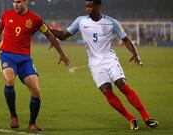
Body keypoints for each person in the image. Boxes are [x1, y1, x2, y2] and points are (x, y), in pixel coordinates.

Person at [50, 0, 158, 130]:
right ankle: (131, 118)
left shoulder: (112, 22)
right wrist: (43, 27)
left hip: (109, 59)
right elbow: (62, 36)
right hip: (94, 63)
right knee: (107, 91)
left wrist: (135, 53)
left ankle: (146, 117)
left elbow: (125, 40)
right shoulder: (81, 21)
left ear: (98, 6)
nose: (87, 9)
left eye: (90, 6)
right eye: (86, 6)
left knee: (122, 85)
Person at [0, 0, 70, 132]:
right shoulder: (6, 15)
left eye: (19, 2)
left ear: (26, 1)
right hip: (7, 55)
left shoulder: (35, 19)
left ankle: (32, 123)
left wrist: (61, 53)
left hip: (24, 60)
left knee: (36, 91)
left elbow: (49, 34)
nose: (16, 4)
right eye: (14, 2)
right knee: (9, 80)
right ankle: (13, 116)